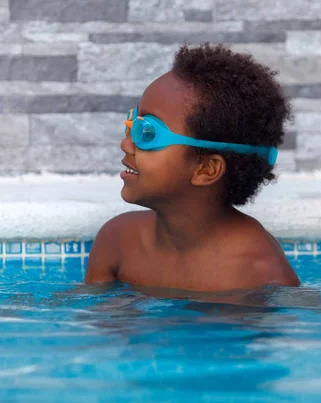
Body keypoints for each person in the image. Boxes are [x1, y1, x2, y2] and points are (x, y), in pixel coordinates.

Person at [84, 43, 300, 292]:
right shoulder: (117, 241)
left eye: (148, 133)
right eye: (133, 124)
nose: (126, 143)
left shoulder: (259, 274)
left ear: (206, 169)